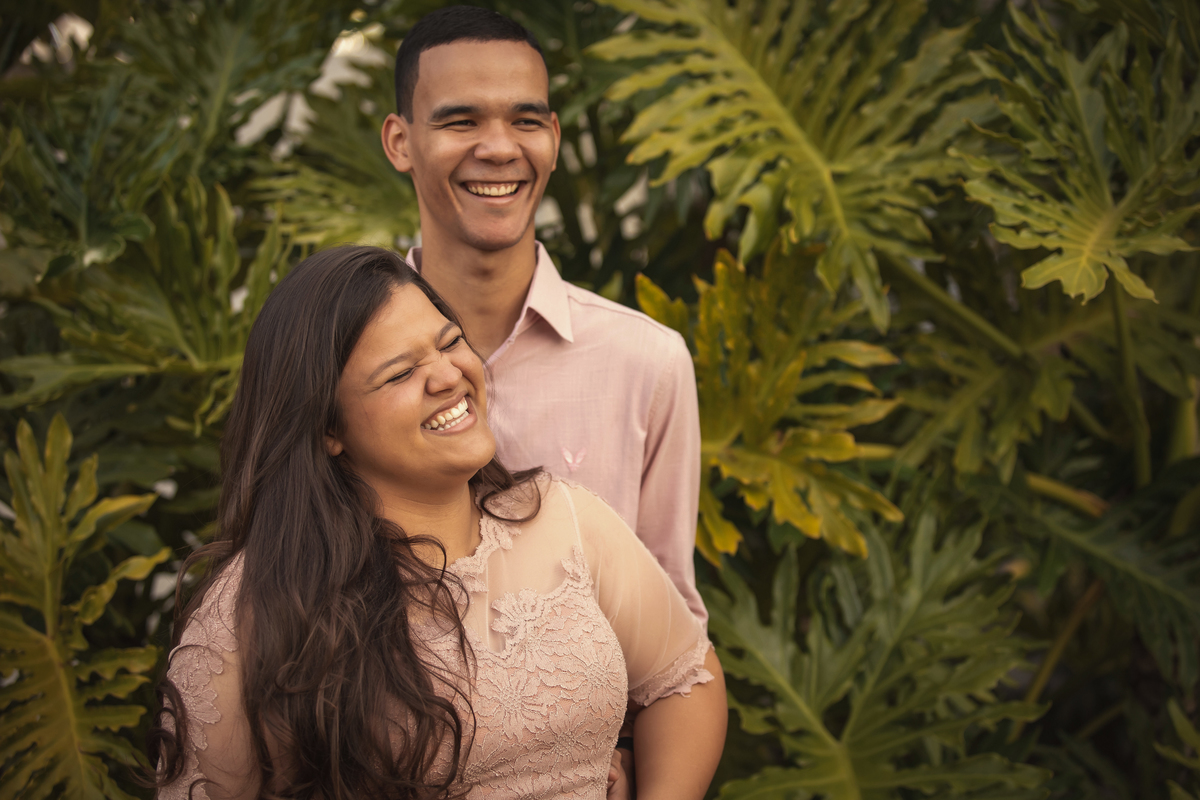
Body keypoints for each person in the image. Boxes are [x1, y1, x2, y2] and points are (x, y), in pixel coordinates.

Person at [149, 246, 726, 800]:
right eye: (400, 374)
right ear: (327, 428)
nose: (448, 376)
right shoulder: (251, 610)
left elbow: (686, 679)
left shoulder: (567, 519)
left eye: (451, 342)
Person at [379, 6, 706, 629]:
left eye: (524, 120)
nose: (499, 148)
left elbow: (674, 637)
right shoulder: (339, 360)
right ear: (401, 142)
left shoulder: (647, 364)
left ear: (553, 139)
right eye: (461, 121)